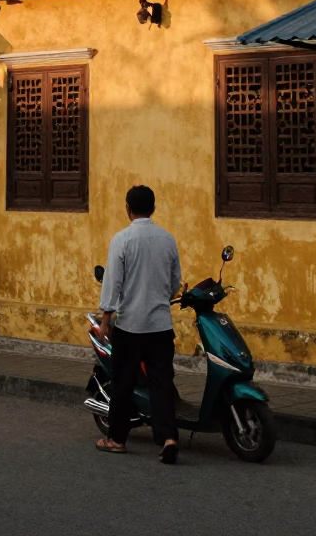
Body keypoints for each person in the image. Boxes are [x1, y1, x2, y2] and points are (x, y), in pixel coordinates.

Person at [95, 184, 182, 464]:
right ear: (153, 208)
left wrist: (106, 319)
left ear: (127, 208)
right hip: (159, 325)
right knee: (162, 383)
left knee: (123, 384)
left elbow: (112, 283)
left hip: (130, 326)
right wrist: (159, 298)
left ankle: (117, 439)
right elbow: (174, 283)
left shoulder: (122, 239)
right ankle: (168, 438)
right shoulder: (167, 239)